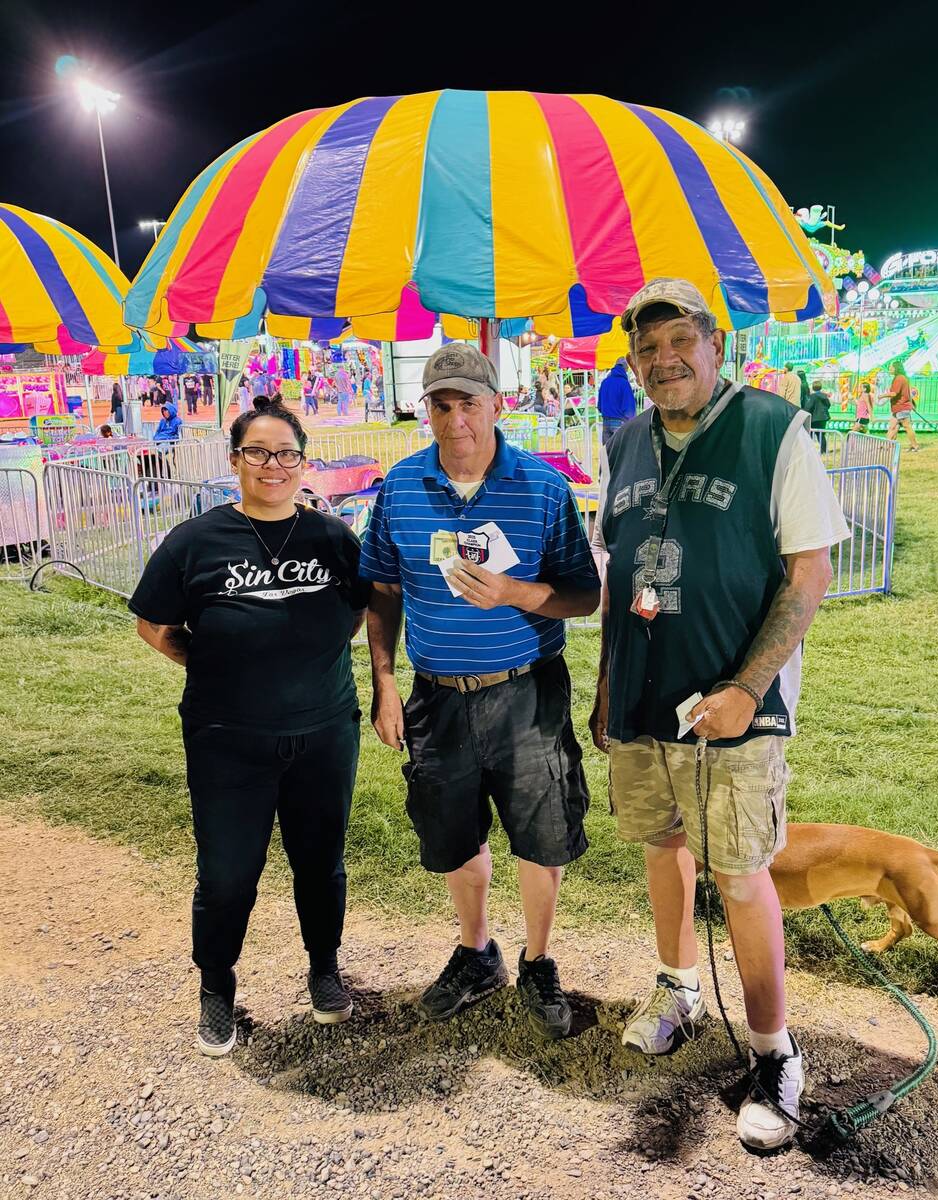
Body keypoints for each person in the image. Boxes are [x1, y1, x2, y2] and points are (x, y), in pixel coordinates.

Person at [590, 278, 849, 1152]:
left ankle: (774, 1052)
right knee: (662, 845)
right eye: (646, 348)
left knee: (739, 873)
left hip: (734, 708)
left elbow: (809, 569)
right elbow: (620, 567)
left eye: (680, 342)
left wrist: (747, 687)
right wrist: (606, 686)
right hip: (642, 698)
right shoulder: (625, 439)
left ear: (714, 345)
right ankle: (678, 987)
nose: (663, 360)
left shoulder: (772, 428)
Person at [361, 344, 600, 1040]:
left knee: (541, 832)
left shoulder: (543, 487)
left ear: (497, 404)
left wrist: (514, 593)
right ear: (425, 410)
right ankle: (476, 952)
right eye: (441, 404)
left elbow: (584, 596)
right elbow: (382, 590)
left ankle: (538, 959)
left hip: (526, 692)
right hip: (436, 696)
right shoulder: (400, 487)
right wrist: (384, 683)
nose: (456, 418)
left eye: (469, 402)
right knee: (452, 831)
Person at [129, 397, 370, 1056]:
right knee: (227, 873)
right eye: (258, 452)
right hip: (227, 740)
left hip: (324, 732)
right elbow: (154, 625)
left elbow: (356, 614)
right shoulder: (195, 541)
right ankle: (216, 986)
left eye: (286, 453)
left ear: (303, 463)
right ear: (236, 460)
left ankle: (324, 967)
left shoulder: (333, 539)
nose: (273, 465)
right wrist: (212, 662)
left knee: (320, 862)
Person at [597, 357, 637, 446]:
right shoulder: (624, 383)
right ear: (625, 368)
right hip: (620, 422)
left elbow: (599, 405)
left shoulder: (605, 382)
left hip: (606, 421)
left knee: (608, 452)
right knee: (621, 451)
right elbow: (629, 407)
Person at [881, 362, 919, 450]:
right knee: (892, 427)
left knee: (907, 426)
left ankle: (915, 445)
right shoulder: (901, 378)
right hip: (898, 407)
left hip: (901, 407)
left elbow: (894, 393)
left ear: (896, 368)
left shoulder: (899, 378)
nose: (890, 369)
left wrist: (881, 396)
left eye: (891, 367)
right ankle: (887, 445)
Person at [806, 381, 832, 453]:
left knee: (810, 434)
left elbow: (809, 407)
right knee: (821, 434)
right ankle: (823, 450)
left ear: (813, 388)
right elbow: (828, 405)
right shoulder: (824, 396)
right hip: (823, 418)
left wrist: (804, 410)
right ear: (821, 387)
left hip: (815, 418)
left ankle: (809, 450)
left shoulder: (812, 396)